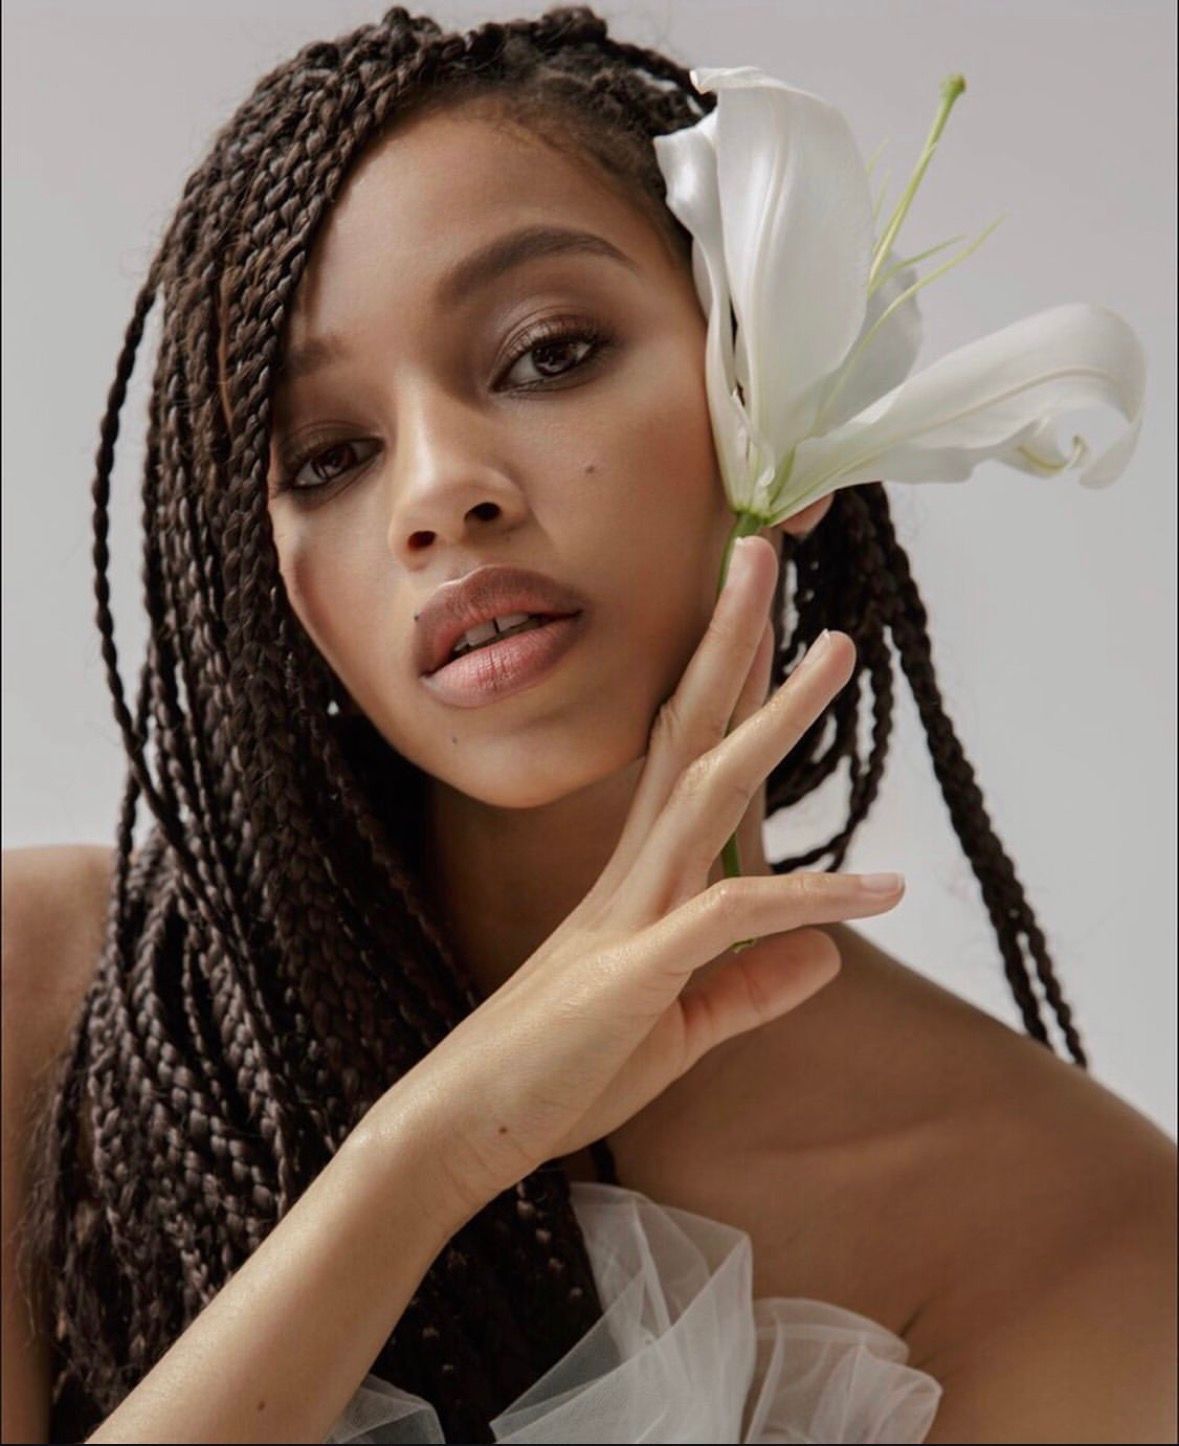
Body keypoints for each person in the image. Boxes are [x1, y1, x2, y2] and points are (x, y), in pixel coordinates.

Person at [2, 6, 1174, 1443]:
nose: (441, 489)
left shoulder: (1077, 1223)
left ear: (763, 386)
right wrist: (435, 1152)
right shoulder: (36, 998)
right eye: (330, 455)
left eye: (548, 353)